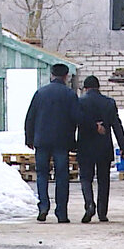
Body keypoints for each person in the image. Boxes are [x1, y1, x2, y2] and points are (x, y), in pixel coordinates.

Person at [24, 63, 82, 223]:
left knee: (42, 174)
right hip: (62, 142)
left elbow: (30, 117)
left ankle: (43, 206)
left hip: (41, 140)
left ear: (51, 75)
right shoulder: (70, 94)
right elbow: (77, 118)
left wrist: (29, 138)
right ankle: (61, 212)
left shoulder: (40, 93)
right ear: (66, 76)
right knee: (62, 176)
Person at [76, 76, 124, 223]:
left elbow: (76, 122)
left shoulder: (80, 102)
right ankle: (102, 212)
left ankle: (89, 204)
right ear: (98, 87)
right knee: (103, 180)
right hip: (103, 147)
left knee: (86, 178)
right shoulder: (109, 103)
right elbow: (116, 125)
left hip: (85, 146)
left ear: (85, 88)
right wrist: (123, 146)